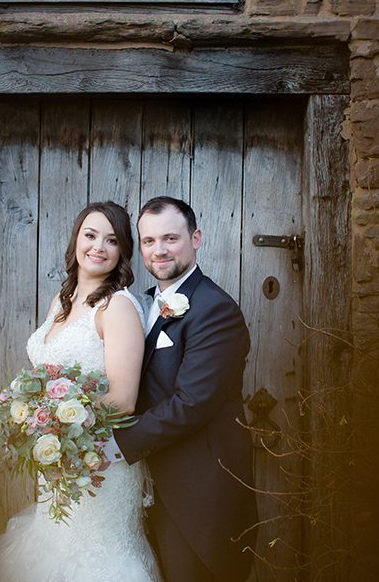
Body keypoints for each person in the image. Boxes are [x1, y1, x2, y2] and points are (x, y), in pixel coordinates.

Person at [0, 201, 162, 582]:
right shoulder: (60, 303)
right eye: (91, 235)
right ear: (76, 240)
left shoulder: (117, 308)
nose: (99, 246)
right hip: (61, 465)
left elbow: (124, 399)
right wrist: (38, 418)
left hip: (101, 465)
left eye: (112, 240)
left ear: (122, 252)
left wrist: (59, 427)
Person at [114, 196, 258, 582]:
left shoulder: (215, 309)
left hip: (197, 495)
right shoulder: (142, 305)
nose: (158, 250)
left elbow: (191, 404)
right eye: (148, 241)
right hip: (145, 486)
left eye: (170, 238)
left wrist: (112, 445)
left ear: (195, 239)